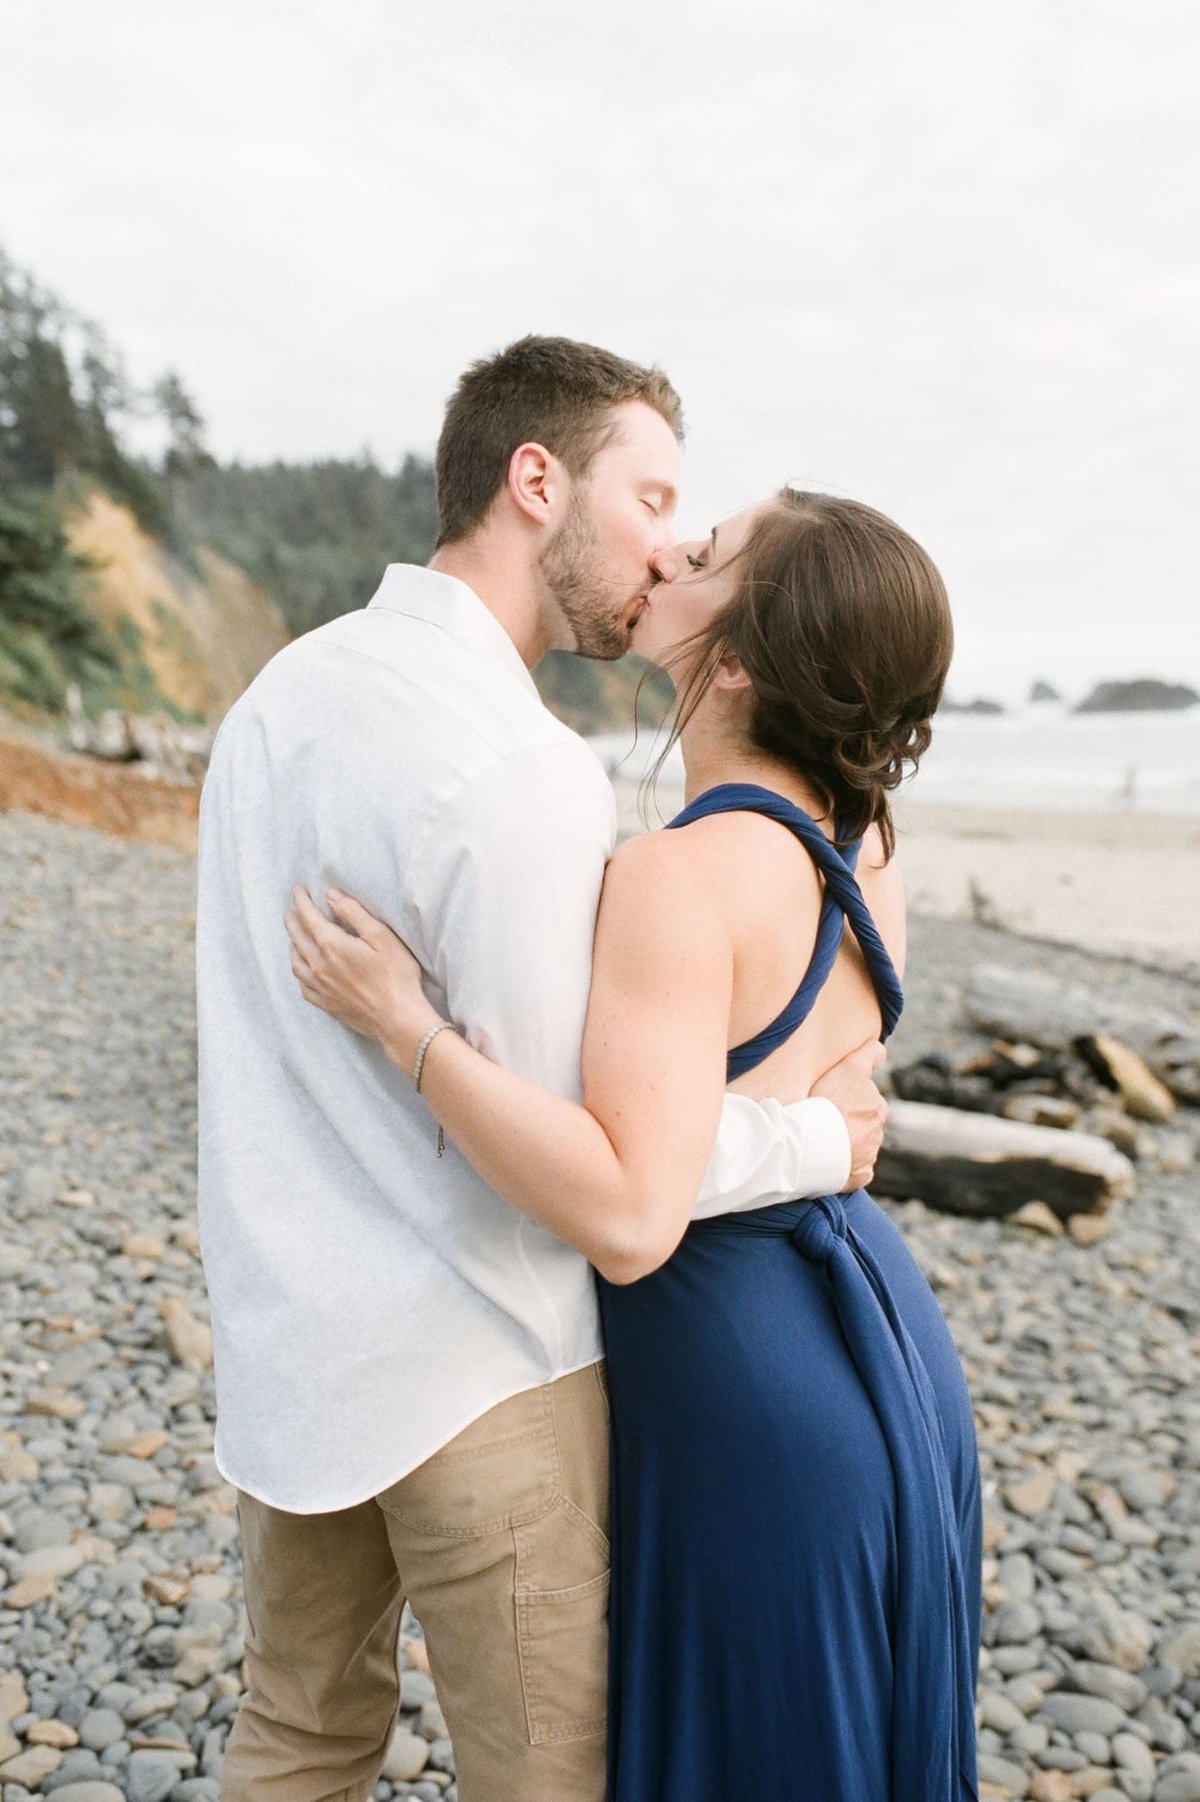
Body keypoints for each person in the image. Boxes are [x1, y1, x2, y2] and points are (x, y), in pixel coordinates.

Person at [195, 336, 889, 1802]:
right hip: (481, 1365)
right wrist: (816, 1145)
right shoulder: (520, 766)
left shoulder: (273, 706)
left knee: (294, 1743)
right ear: (535, 481)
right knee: (545, 1778)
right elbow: (606, 1156)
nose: (666, 547)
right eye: (651, 498)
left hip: (290, 1346)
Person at [286, 488, 984, 1801]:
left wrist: (403, 1026)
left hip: (741, 1377)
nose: (667, 549)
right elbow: (811, 1093)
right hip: (884, 1342)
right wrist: (815, 1140)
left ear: (735, 659)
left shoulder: (677, 876)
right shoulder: (871, 842)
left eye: (705, 553)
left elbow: (623, 1200)